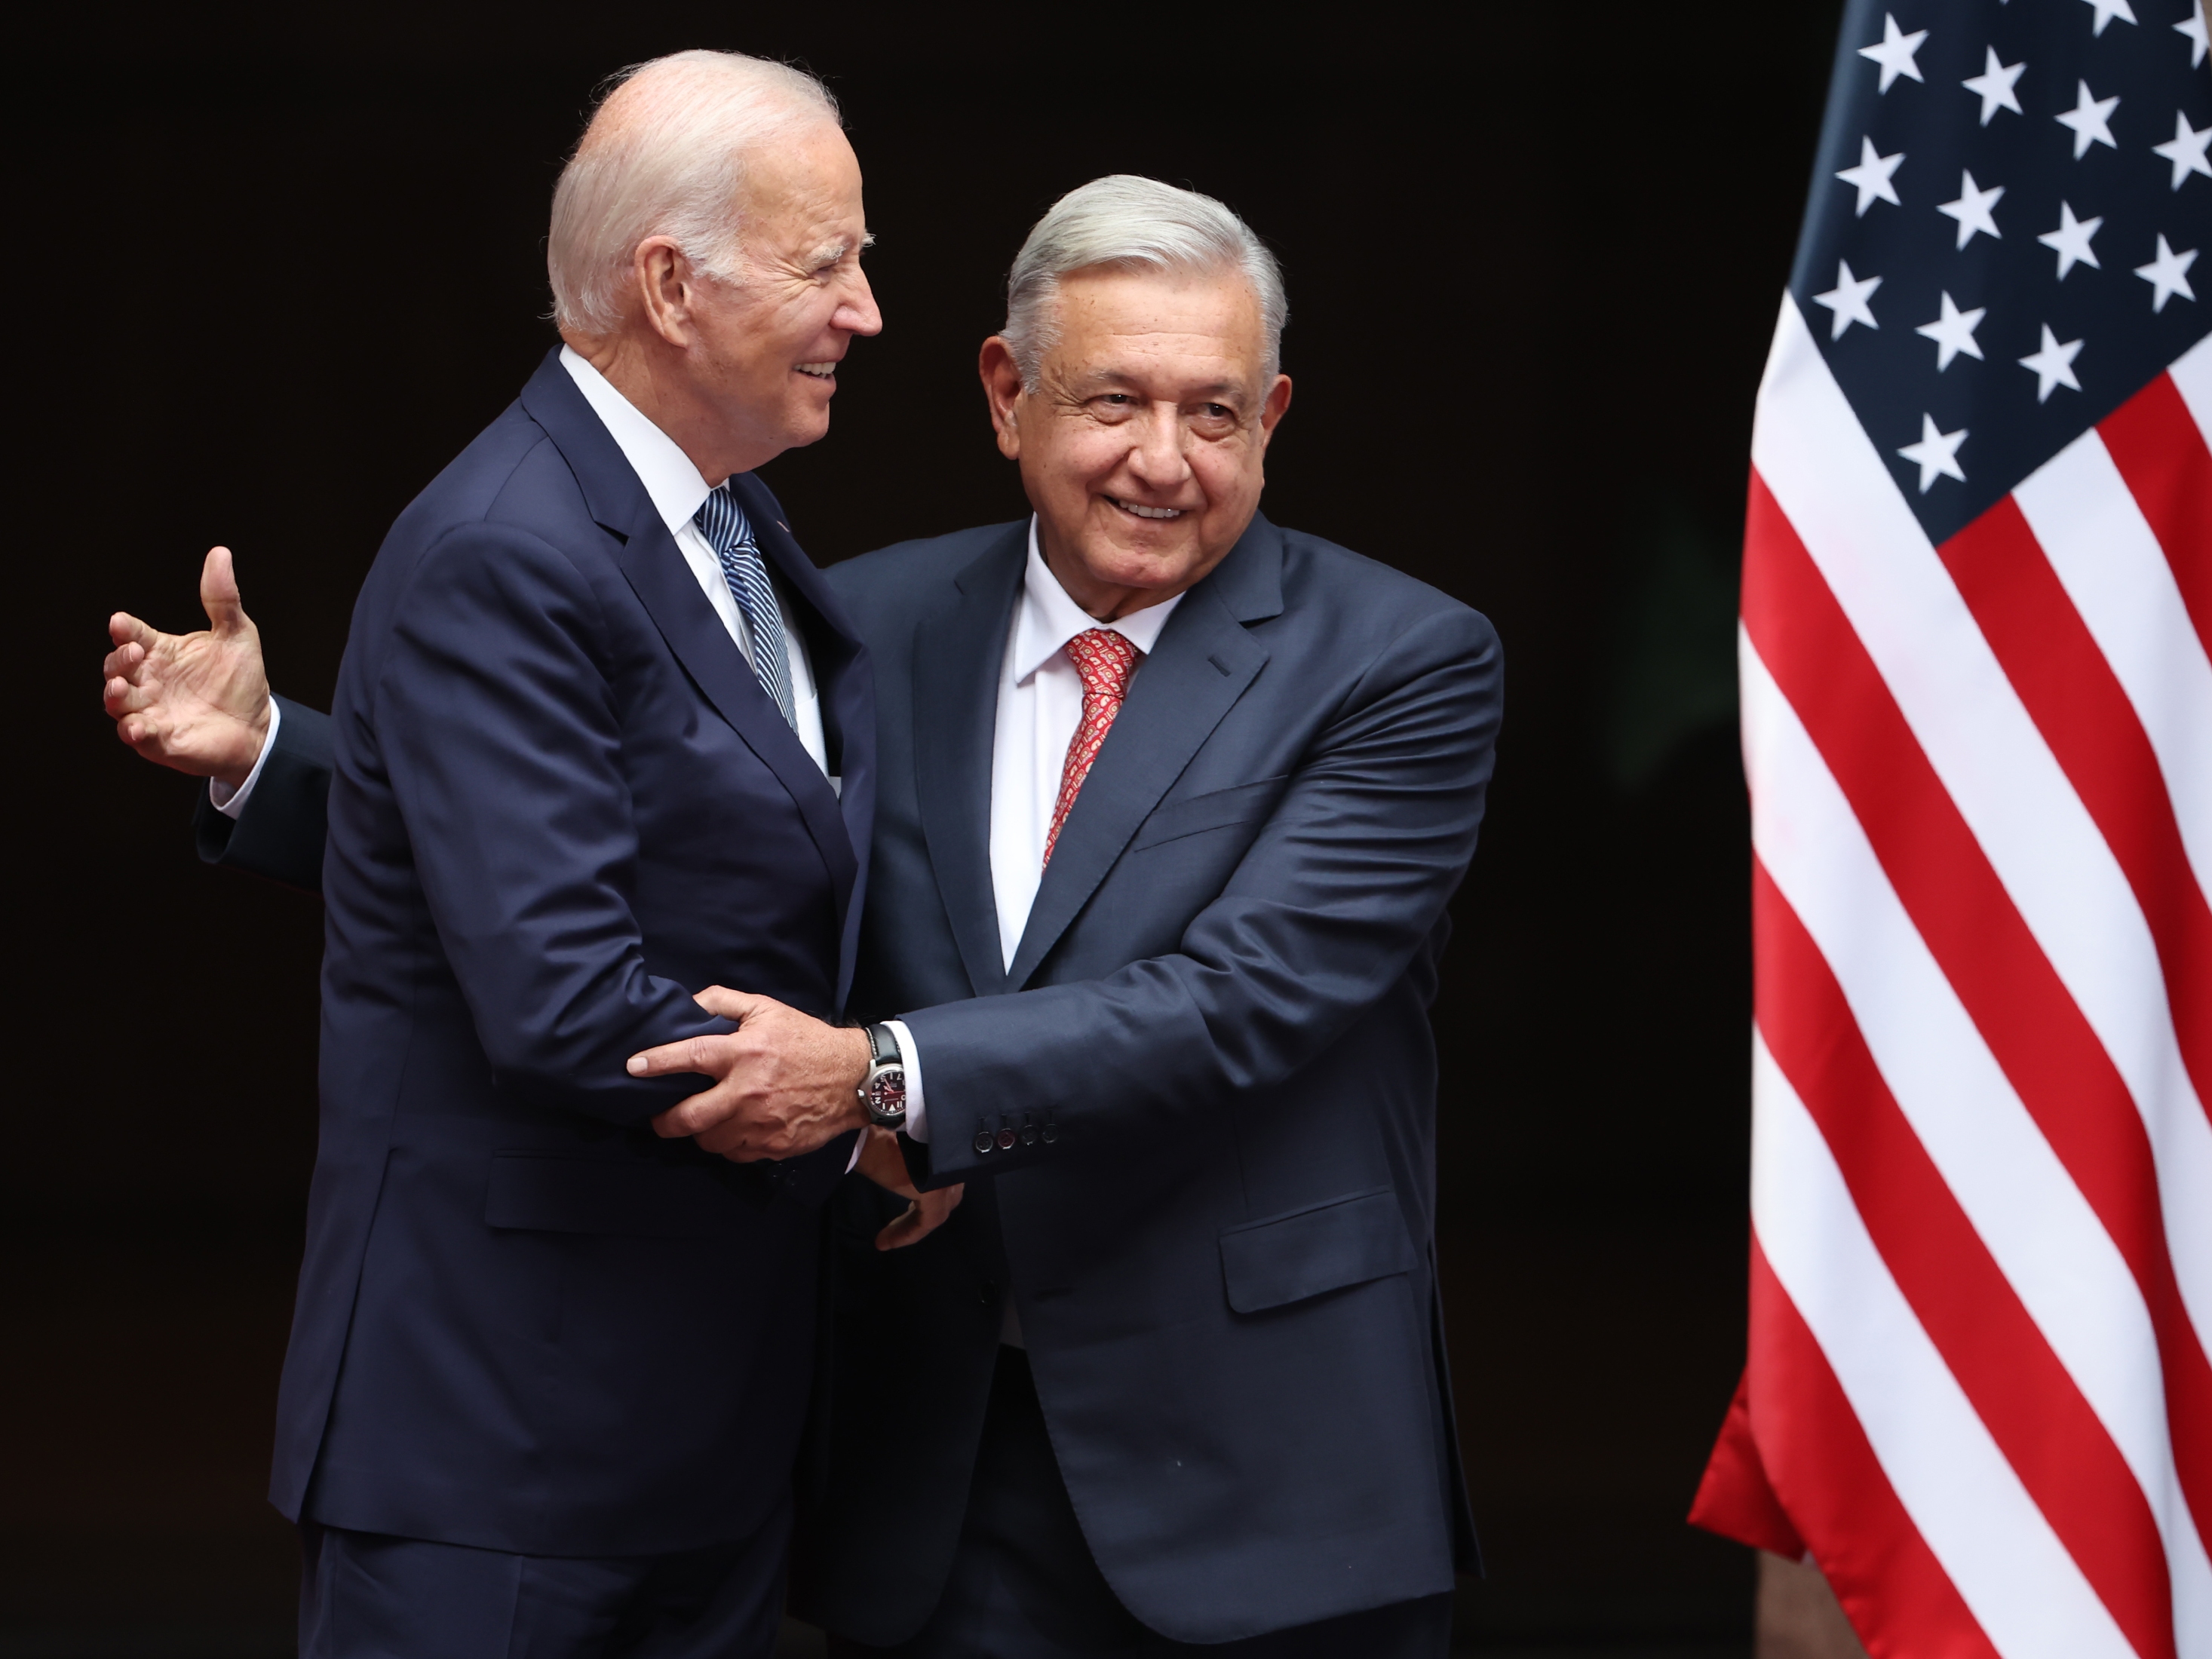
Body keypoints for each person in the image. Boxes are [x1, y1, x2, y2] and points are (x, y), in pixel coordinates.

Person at [106, 176, 1502, 1656]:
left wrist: (876, 1079)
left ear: (1275, 415)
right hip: (941, 1464)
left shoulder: (1403, 660)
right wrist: (282, 760)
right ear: (1005, 394)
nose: (1163, 461)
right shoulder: (863, 619)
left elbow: (1240, 998)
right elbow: (642, 869)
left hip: (1268, 1472)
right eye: (1112, 403)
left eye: (1215, 413)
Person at [105, 49, 916, 1658]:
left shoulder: (720, 512)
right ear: (670, 286)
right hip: (506, 1443)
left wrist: (285, 761)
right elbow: (556, 988)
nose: (868, 310)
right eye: (829, 263)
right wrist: (855, 1103)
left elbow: (567, 841)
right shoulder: (508, 544)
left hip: (684, 1422)